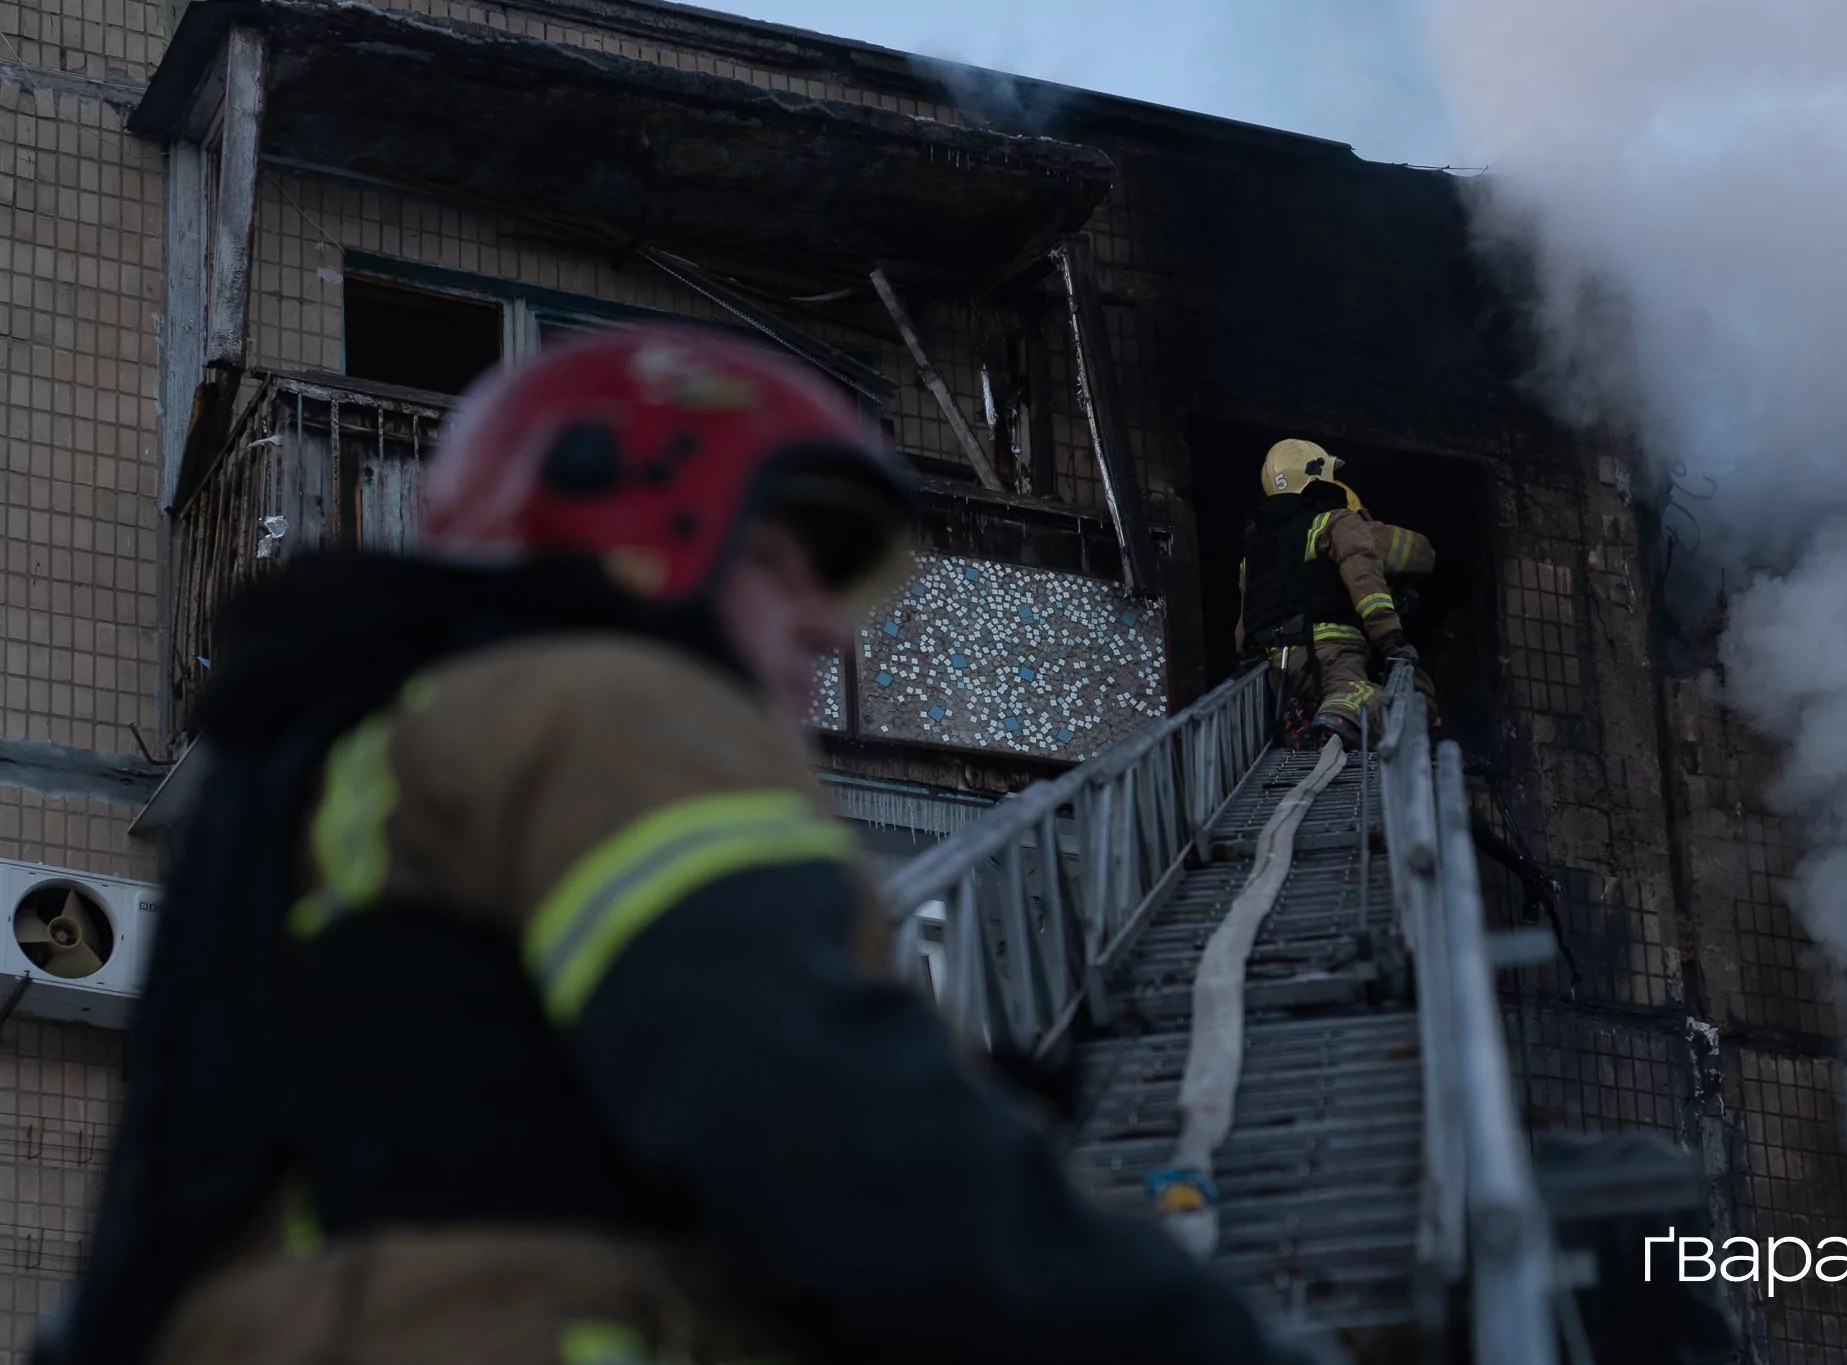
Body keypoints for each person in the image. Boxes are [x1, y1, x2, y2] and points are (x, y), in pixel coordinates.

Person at [50, 327, 1320, 1365]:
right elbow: (810, 1106)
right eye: (781, 559)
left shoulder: (343, 772)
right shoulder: (606, 703)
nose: (828, 630)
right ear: (634, 524)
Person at [1235, 438, 1436, 747]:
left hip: (1275, 665)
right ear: (1316, 474)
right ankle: (1339, 719)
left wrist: (1248, 664)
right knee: (1377, 701)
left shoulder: (1253, 556)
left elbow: (1244, 625)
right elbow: (1364, 576)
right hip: (1331, 649)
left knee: (1319, 699)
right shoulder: (1337, 521)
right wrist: (1388, 636)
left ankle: (1301, 721)